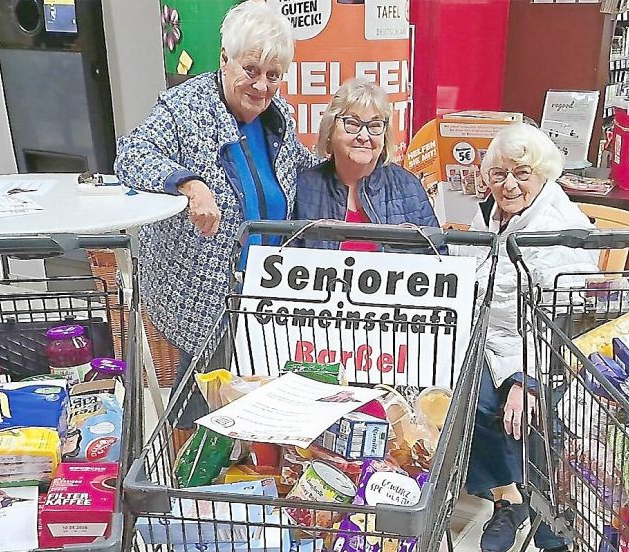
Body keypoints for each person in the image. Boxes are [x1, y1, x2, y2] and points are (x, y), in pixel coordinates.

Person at [114, 1, 316, 394]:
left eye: (273, 76)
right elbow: (132, 155)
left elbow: (300, 167)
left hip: (268, 298)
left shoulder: (279, 117)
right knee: (204, 422)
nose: (262, 87)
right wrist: (191, 184)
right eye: (251, 70)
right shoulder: (184, 108)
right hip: (203, 305)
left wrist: (349, 159)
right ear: (225, 59)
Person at [453, 122, 599, 552]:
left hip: (544, 349)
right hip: (488, 337)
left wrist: (525, 378)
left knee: (521, 410)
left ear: (543, 175)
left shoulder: (557, 230)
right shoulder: (492, 214)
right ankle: (509, 498)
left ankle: (544, 512)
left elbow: (561, 323)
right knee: (465, 394)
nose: (509, 184)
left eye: (522, 173)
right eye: (499, 174)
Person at [293, 78, 439, 251]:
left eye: (375, 125)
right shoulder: (304, 188)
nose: (364, 136)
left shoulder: (409, 187)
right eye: (352, 124)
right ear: (330, 130)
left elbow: (437, 256)